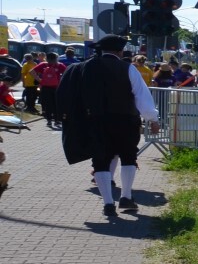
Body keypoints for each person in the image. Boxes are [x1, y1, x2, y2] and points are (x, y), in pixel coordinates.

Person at [59, 35, 159, 220]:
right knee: (128, 156)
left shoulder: (84, 67)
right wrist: (152, 119)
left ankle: (108, 204)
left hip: (95, 121)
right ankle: (126, 197)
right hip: (125, 120)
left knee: (101, 160)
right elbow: (141, 96)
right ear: (120, 51)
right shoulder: (127, 68)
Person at [34, 52, 67, 128]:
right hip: (56, 87)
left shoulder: (43, 65)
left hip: (45, 87)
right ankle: (57, 120)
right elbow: (66, 73)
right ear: (56, 58)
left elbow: (31, 72)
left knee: (47, 104)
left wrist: (39, 80)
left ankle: (49, 121)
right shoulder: (59, 65)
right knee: (56, 104)